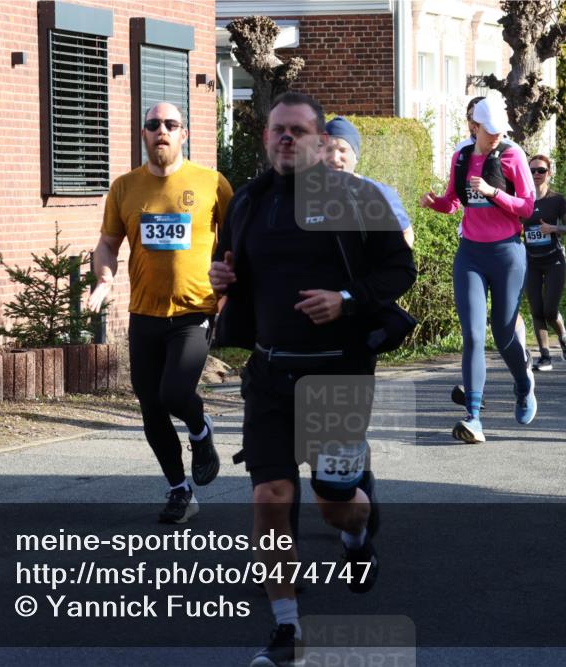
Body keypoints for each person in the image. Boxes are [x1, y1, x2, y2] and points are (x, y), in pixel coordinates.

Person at [209, 91, 416, 667]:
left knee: (333, 503)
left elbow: (401, 268)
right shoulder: (248, 201)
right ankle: (285, 628)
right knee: (270, 495)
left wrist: (346, 299)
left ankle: (357, 533)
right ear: (266, 137)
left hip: (339, 372)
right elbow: (231, 269)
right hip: (270, 370)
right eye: (278, 130)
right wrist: (220, 273)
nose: (285, 139)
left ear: (320, 142)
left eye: (298, 131)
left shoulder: (358, 197)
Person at [87, 102, 231, 523]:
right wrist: (104, 279)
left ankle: (201, 432)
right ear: (144, 134)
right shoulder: (125, 187)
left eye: (171, 124)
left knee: (173, 393)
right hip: (145, 314)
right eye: (153, 125)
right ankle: (179, 491)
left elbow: (237, 238)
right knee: (151, 406)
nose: (162, 130)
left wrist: (232, 285)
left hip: (195, 310)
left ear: (184, 134)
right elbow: (108, 244)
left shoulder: (211, 183)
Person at [419, 92, 537, 444]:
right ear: (474, 127)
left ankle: (523, 383)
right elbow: (453, 203)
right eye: (489, 131)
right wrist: (434, 204)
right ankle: (473, 417)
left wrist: (492, 191)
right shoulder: (461, 156)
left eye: (500, 131)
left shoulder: (514, 156)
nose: (496, 136)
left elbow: (529, 208)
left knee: (503, 336)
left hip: (507, 254)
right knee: (472, 335)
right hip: (470, 254)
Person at [324, 116, 415, 247]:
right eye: (328, 150)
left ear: (355, 156)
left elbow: (406, 232)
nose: (334, 157)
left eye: (342, 150)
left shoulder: (381, 194)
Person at [523, 154, 566, 370]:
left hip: (553, 259)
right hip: (531, 261)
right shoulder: (523, 199)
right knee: (536, 310)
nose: (537, 174)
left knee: (550, 310)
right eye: (533, 170)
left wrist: (553, 229)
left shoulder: (557, 200)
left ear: (549, 173)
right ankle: (545, 356)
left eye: (541, 170)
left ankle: (562, 336)